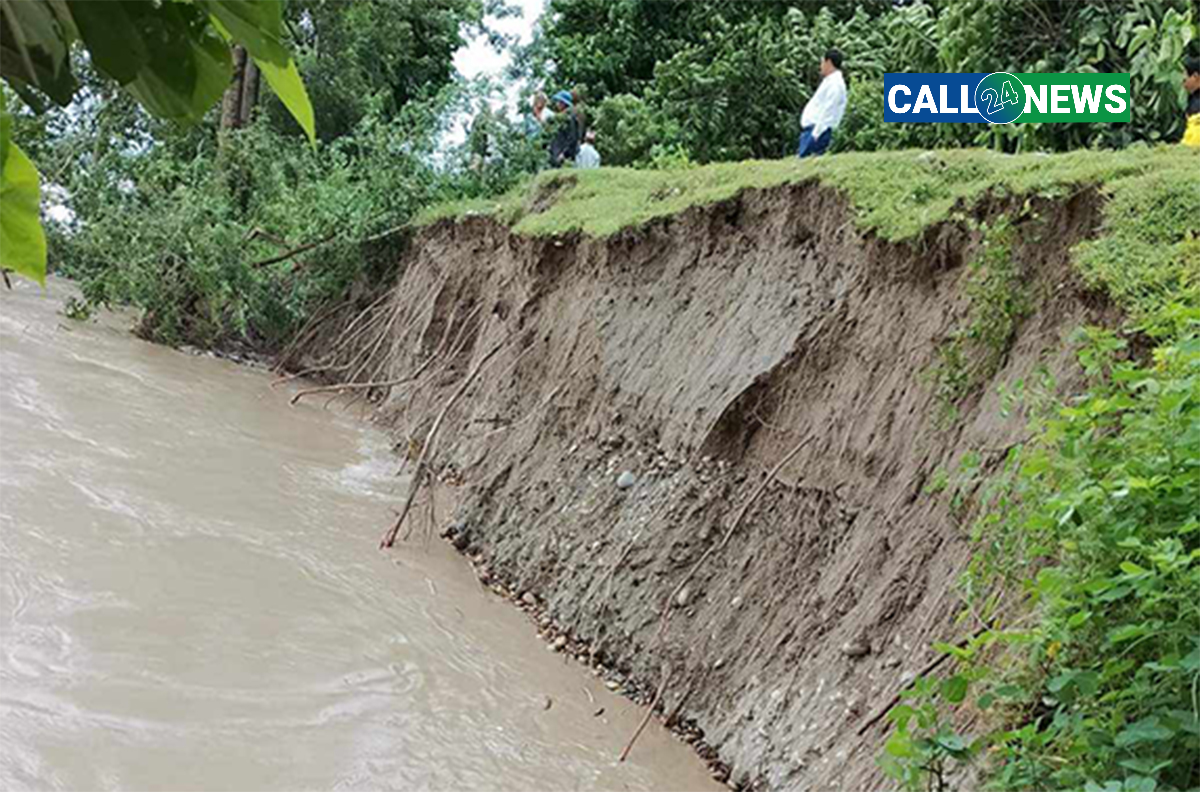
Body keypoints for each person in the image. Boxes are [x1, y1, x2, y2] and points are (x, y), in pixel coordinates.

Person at [798, 48, 847, 158]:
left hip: (818, 131)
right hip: (813, 130)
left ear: (828, 62)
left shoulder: (835, 84)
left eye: (822, 62)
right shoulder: (829, 81)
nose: (821, 66)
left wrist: (816, 134)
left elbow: (829, 110)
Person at [547, 90, 581, 168]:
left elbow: (573, 138)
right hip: (556, 153)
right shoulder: (559, 118)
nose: (557, 104)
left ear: (563, 103)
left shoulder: (570, 119)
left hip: (563, 156)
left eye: (559, 102)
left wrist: (564, 154)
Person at [1184, 56, 1200, 148]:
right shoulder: (1194, 97)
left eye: (1185, 78)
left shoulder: (1196, 105)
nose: (1183, 83)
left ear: (1195, 76)